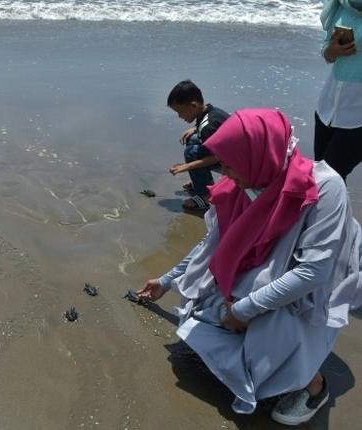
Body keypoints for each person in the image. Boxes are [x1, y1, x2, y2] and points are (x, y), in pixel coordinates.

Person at [137, 109, 362, 426]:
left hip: (318, 285)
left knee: (269, 330)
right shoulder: (242, 183)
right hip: (269, 267)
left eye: (229, 164)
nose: (224, 173)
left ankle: (314, 385)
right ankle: (269, 352)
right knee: (204, 315)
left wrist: (244, 309)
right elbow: (211, 244)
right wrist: (166, 280)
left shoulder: (324, 188)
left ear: (257, 156)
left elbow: (314, 271)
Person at [315, 0, 362, 181]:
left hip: (357, 119)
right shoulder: (341, 5)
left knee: (327, 180)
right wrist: (333, 51)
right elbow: (326, 50)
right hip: (326, 109)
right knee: (320, 177)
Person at [166, 80, 230, 211]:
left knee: (191, 152)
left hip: (234, 161)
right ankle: (201, 182)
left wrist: (186, 167)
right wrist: (195, 128)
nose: (179, 116)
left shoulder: (208, 127)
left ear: (193, 105)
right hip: (229, 150)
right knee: (193, 139)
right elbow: (210, 125)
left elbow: (217, 157)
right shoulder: (211, 112)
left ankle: (206, 196)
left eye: (180, 111)